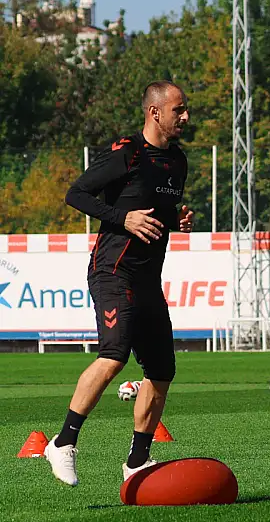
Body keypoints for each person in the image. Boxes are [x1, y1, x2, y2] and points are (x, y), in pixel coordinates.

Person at [44, 80, 194, 486]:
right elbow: (76, 194)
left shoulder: (178, 161)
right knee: (113, 356)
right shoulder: (126, 152)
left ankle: (137, 461)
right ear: (155, 112)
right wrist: (121, 218)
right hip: (113, 271)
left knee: (161, 372)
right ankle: (63, 442)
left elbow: (156, 210)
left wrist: (174, 222)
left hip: (148, 278)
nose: (185, 117)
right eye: (178, 110)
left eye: (186, 110)